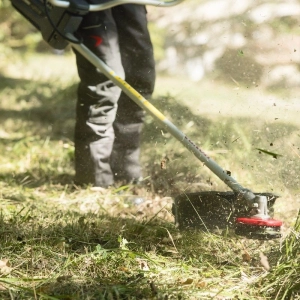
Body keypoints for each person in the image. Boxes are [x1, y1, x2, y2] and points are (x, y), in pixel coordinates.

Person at [73, 4, 156, 189]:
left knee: (140, 76)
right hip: (90, 4)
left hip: (129, 2)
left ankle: (125, 175)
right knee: (105, 80)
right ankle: (95, 180)